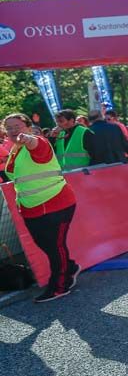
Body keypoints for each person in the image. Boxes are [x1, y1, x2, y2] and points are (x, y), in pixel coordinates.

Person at [3, 113, 80, 303]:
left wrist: (27, 138)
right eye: (9, 127)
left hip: (56, 203)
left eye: (17, 126)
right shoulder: (14, 150)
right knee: (45, 245)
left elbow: (34, 144)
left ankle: (61, 285)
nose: (13, 130)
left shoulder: (37, 142)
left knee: (55, 247)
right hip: (31, 208)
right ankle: (69, 267)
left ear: (28, 127)